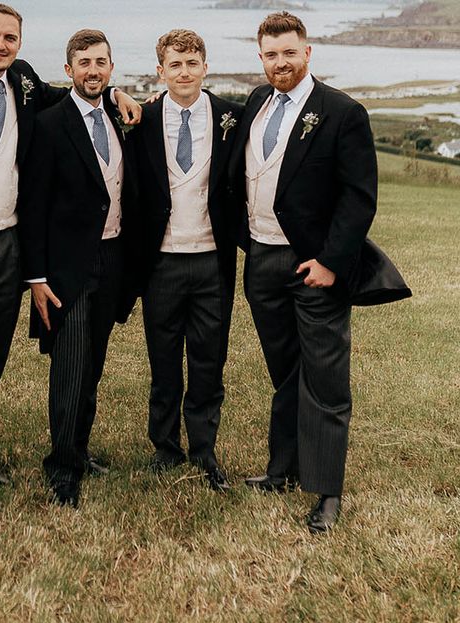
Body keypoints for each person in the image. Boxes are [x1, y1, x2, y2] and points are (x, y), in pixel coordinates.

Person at [0, 4, 140, 518]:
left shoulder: (25, 83)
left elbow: (76, 99)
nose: (0, 44)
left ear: (19, 43)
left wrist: (118, 92)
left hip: (8, 247)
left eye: (10, 37)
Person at [228, 12, 378, 533]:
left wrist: (333, 263)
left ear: (307, 52)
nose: (280, 62)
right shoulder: (254, 103)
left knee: (325, 380)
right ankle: (282, 469)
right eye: (270, 54)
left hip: (313, 265)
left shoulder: (341, 113)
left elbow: (359, 199)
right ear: (261, 57)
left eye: (289, 52)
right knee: (285, 373)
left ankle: (327, 492)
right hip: (262, 261)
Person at [18, 29, 139, 508]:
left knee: (93, 365)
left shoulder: (121, 116)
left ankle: (80, 449)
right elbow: (32, 206)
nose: (93, 70)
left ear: (111, 69)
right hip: (68, 267)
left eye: (101, 62)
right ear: (68, 71)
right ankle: (62, 468)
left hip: (113, 259)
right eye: (84, 62)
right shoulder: (49, 125)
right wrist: (37, 277)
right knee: (69, 367)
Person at [133, 29, 242, 489]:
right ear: (161, 70)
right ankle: (165, 446)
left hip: (212, 260)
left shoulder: (231, 118)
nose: (184, 72)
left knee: (207, 360)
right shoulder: (139, 119)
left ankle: (204, 449)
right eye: (174, 64)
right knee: (163, 360)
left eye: (192, 63)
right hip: (161, 262)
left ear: (205, 66)